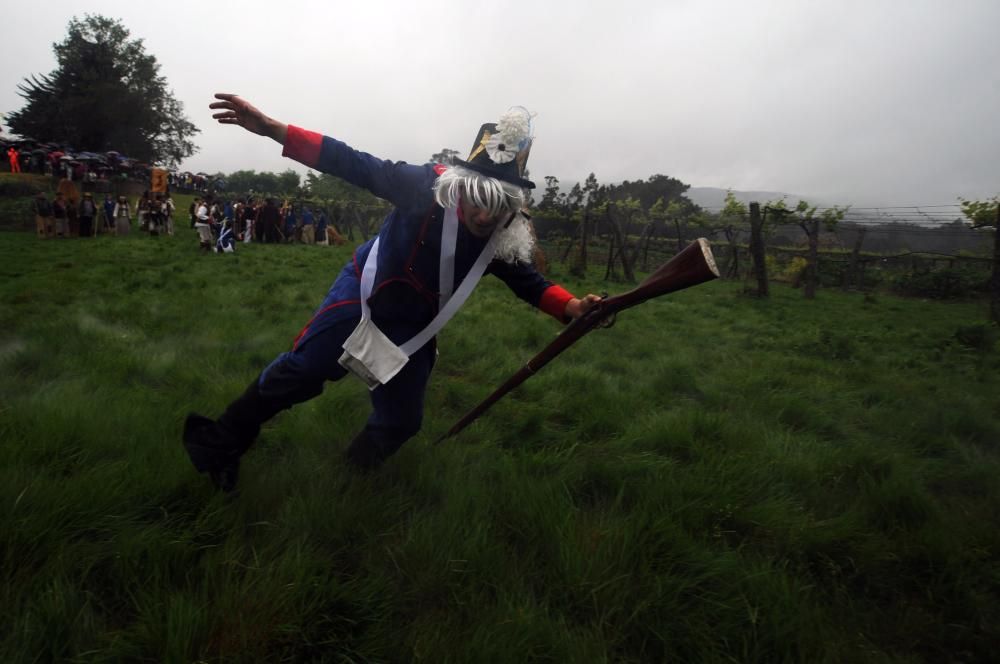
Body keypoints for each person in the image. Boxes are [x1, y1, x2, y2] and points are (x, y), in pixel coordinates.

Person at [182, 93, 601, 492]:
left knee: (402, 420)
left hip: (415, 323)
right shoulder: (422, 186)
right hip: (366, 292)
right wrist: (275, 129)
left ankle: (349, 478)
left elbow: (530, 282)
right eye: (478, 197)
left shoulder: (504, 235)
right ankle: (221, 443)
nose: (485, 213)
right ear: (462, 185)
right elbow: (355, 165)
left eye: (498, 203)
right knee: (304, 370)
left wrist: (573, 307)